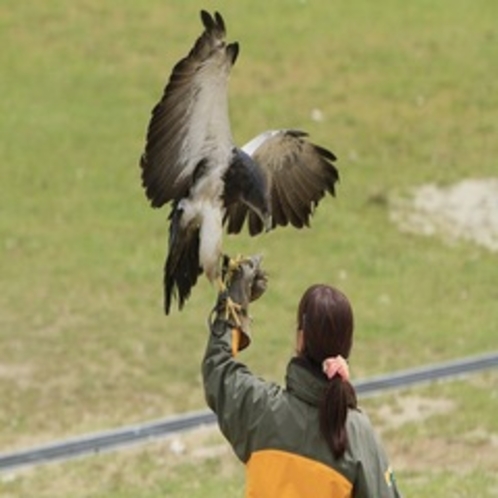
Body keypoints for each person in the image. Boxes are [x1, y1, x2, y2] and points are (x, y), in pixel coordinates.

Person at [202, 256, 402, 497]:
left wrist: (233, 308)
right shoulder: (359, 435)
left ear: (301, 338)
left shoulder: (261, 409)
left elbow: (217, 367)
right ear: (346, 346)